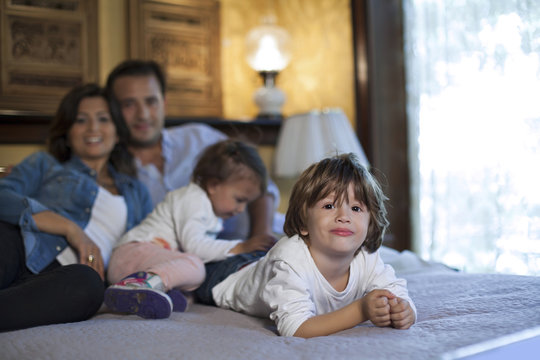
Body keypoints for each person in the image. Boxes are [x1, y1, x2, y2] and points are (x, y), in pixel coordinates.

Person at [193, 153, 417, 338]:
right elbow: (296, 328)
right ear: (303, 222)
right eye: (329, 206)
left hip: (261, 263)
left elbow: (397, 294)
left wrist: (404, 311)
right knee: (192, 273)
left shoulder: (367, 256)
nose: (344, 216)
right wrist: (361, 310)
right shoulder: (290, 260)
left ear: (370, 223)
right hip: (228, 276)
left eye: (356, 209)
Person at [0, 84, 153, 332]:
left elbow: (149, 245)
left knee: (89, 285)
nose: (93, 128)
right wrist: (71, 229)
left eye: (103, 119)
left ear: (117, 132)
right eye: (81, 120)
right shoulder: (45, 164)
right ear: (68, 132)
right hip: (21, 246)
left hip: (67, 278)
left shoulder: (137, 192)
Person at [105, 59, 281, 242]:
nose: (142, 114)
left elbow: (262, 185)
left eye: (151, 102)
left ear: (164, 103)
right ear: (114, 111)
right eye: (129, 104)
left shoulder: (199, 138)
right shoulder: (111, 171)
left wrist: (261, 237)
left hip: (250, 245)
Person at [104, 139, 275, 319]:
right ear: (213, 185)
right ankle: (137, 285)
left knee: (189, 289)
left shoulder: (208, 209)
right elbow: (194, 246)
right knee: (195, 266)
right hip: (132, 253)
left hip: (141, 262)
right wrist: (240, 247)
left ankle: (146, 294)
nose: (241, 209)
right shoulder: (194, 199)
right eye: (239, 200)